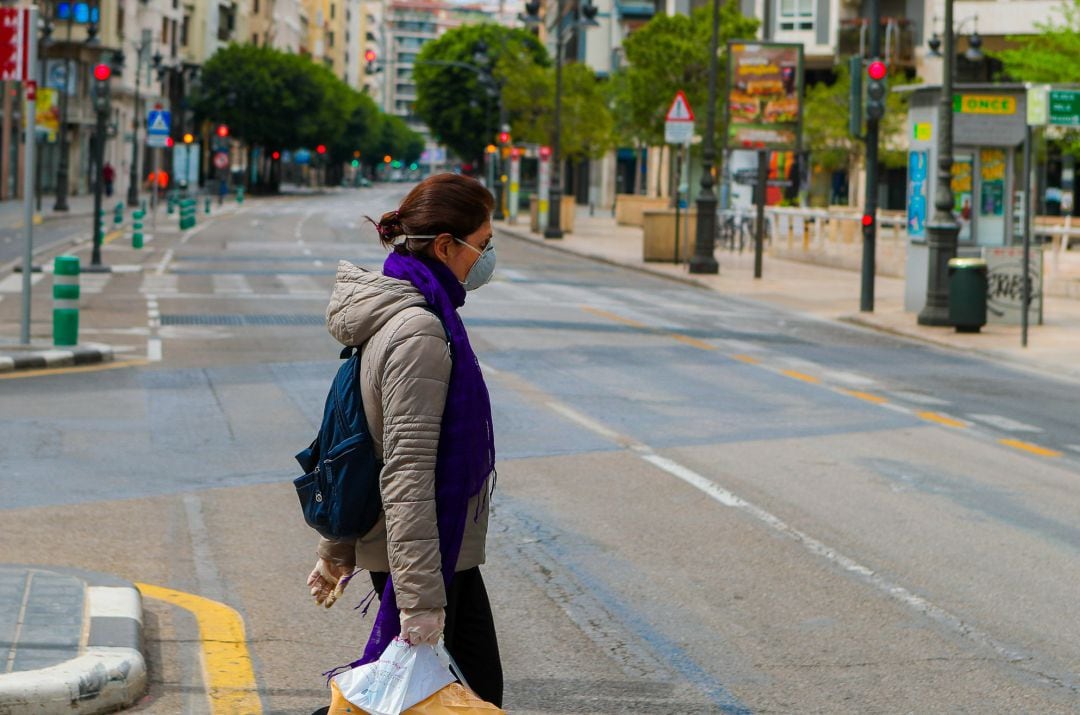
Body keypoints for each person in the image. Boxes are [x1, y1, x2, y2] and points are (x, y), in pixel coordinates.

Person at [307, 173, 503, 707]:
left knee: (428, 698)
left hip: (431, 551)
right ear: (446, 246)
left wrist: (337, 547)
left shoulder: (397, 310)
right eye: (482, 245)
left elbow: (353, 437)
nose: (486, 260)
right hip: (424, 555)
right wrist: (418, 601)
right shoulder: (418, 331)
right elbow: (407, 470)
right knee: (451, 700)